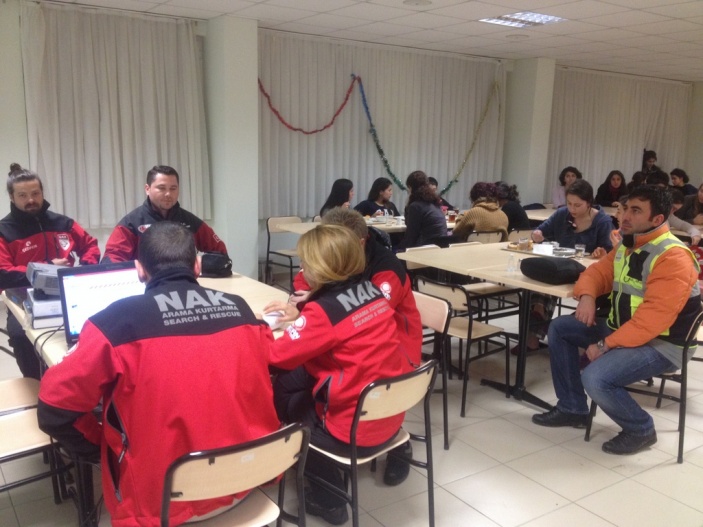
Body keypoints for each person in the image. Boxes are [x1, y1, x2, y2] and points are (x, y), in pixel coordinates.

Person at [37, 222, 280, 526]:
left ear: (139, 270)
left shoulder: (113, 323)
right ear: (197, 266)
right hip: (246, 482)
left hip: (159, 507)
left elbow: (53, 410)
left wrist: (105, 448)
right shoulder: (242, 310)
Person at [532, 185, 701, 456]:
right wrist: (587, 296)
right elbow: (596, 273)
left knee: (595, 377)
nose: (625, 216)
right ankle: (572, 408)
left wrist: (605, 344)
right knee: (561, 328)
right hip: (626, 329)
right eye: (626, 209)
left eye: (636, 211)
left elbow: (651, 320)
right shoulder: (629, 243)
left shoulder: (673, 256)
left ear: (657, 219)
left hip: (663, 344)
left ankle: (641, 429)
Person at [264, 224, 411, 525]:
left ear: (321, 268)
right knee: (291, 382)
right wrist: (305, 314)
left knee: (281, 397)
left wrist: (258, 330)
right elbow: (344, 327)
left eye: (306, 262)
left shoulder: (324, 312)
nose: (303, 267)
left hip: (353, 431)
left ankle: (330, 500)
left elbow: (275, 357)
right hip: (390, 413)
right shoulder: (371, 291)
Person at [290, 208, 422, 487]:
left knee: (303, 376)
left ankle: (397, 445)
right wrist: (314, 297)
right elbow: (304, 279)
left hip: (397, 352)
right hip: (357, 346)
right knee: (303, 374)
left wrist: (314, 303)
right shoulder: (337, 259)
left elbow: (364, 316)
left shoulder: (387, 269)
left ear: (358, 244)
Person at [0, 164, 100, 379]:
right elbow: (3, 273)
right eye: (23, 195)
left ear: (42, 192)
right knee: (21, 337)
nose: (31, 200)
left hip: (67, 292)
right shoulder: (4, 230)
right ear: (11, 197)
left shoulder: (62, 223)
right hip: (22, 298)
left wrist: (84, 270)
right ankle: (38, 384)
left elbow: (90, 245)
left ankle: (80, 380)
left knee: (96, 326)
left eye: (35, 193)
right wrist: (46, 268)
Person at [523, 180, 613, 352]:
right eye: (569, 203)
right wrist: (537, 235)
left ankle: (543, 325)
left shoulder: (602, 222)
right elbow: (540, 231)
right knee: (541, 281)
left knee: (547, 282)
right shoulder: (562, 214)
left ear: (589, 203)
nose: (572, 209)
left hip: (588, 273)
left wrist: (602, 253)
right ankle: (536, 326)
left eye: (578, 205)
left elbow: (610, 253)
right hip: (561, 268)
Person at [101, 165, 227, 263]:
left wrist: (198, 265)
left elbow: (220, 253)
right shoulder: (131, 223)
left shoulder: (190, 222)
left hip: (184, 281)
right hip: (146, 284)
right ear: (147, 189)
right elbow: (111, 260)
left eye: (173, 188)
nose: (168, 194)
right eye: (161, 188)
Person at [396, 171, 448, 250]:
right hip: (440, 248)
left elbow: (411, 235)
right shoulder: (435, 203)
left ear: (411, 188)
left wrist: (399, 250)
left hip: (424, 248)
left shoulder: (416, 206)